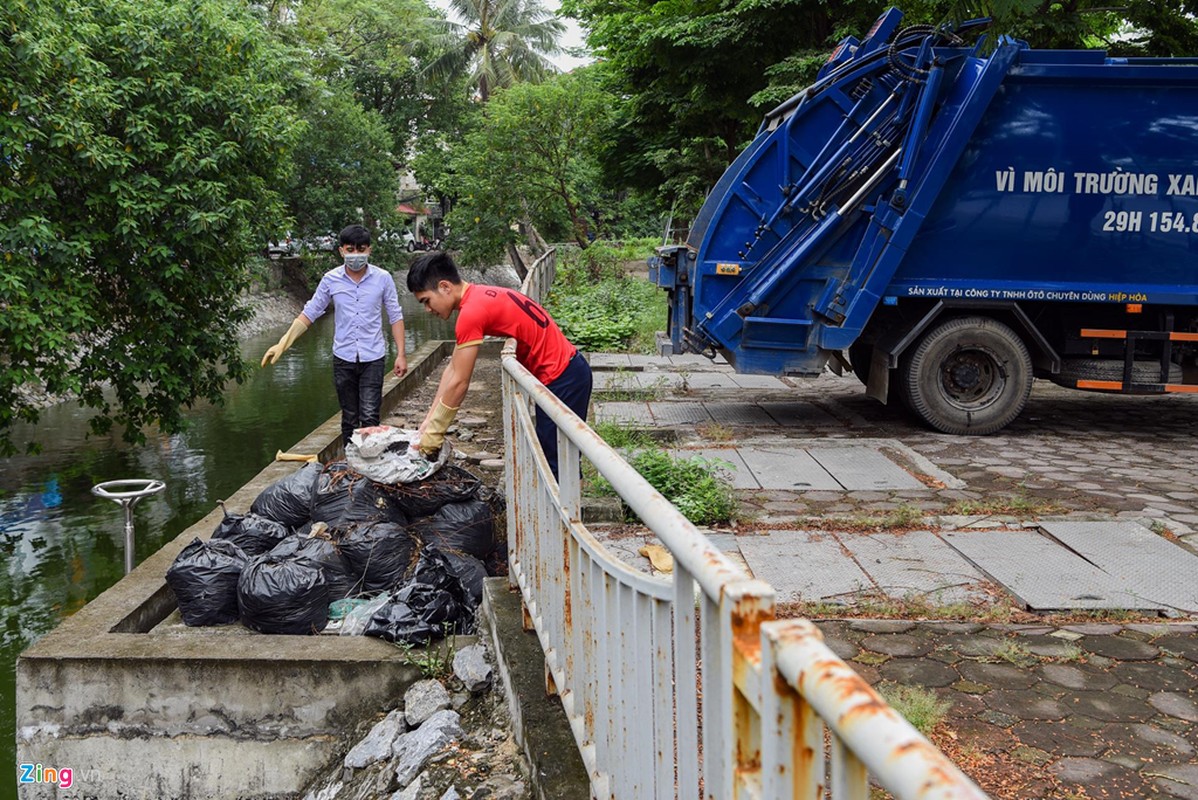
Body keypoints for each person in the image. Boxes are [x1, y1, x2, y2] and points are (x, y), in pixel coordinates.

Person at [406, 252, 591, 479]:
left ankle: (569, 513)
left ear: (444, 287)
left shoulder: (470, 313)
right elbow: (452, 369)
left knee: (558, 462)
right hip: (567, 372)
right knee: (555, 455)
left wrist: (434, 435)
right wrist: (428, 422)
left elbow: (460, 382)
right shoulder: (479, 296)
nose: (427, 309)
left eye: (426, 301)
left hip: (563, 377)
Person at [261, 224, 407, 444]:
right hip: (343, 358)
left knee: (369, 416)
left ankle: (368, 465)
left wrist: (401, 354)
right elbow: (311, 312)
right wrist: (283, 343)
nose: (356, 255)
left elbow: (395, 315)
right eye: (350, 249)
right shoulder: (331, 279)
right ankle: (351, 463)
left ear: (369, 250)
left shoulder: (383, 278)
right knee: (349, 418)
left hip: (373, 357)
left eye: (361, 249)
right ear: (341, 251)